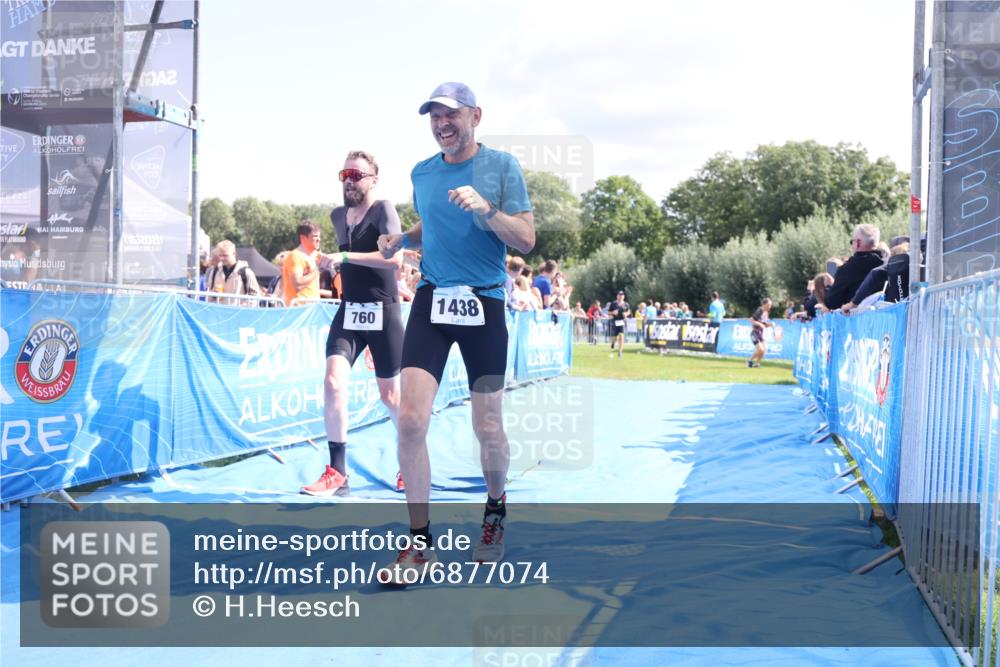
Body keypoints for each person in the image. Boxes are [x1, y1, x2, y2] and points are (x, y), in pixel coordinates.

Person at [375, 82, 535, 582]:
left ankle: (494, 513)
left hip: (485, 300)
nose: (442, 124)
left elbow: (526, 240)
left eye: (451, 115)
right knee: (410, 421)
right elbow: (432, 221)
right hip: (433, 299)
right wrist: (403, 237)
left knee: (487, 426)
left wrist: (486, 209)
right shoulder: (422, 172)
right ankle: (420, 545)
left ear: (475, 116)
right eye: (434, 117)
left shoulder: (502, 167)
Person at [301, 150, 406, 498]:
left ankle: (410, 460)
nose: (349, 180)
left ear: (374, 179)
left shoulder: (383, 210)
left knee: (391, 397)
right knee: (332, 381)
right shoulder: (336, 216)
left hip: (384, 311)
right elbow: (349, 263)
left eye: (357, 174)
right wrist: (333, 266)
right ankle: (338, 472)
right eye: (345, 174)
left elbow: (395, 259)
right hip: (350, 311)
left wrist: (344, 256)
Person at [822, 224, 884, 310]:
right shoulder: (886, 264)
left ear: (858, 243)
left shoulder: (847, 269)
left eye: (852, 241)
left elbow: (831, 303)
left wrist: (829, 286)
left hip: (858, 321)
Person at [203, 240, 261, 305]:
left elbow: (255, 296)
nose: (222, 258)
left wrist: (243, 307)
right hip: (219, 312)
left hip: (237, 313)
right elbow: (209, 295)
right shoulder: (214, 271)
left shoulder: (246, 272)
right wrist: (214, 295)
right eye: (220, 255)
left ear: (234, 254)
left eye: (225, 255)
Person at [282, 220, 323, 306]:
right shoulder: (295, 256)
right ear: (303, 238)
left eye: (319, 236)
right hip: (298, 311)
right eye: (315, 236)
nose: (319, 239)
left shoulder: (316, 256)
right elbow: (297, 285)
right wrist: (317, 270)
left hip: (313, 309)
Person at [747, 297, 774, 368]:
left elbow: (764, 325)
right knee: (761, 349)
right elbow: (751, 320)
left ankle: (755, 363)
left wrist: (770, 324)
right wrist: (759, 324)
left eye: (770, 305)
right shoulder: (760, 310)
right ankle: (751, 361)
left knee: (763, 350)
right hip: (754, 332)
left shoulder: (766, 313)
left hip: (760, 334)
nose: (769, 307)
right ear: (764, 304)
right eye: (768, 305)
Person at [607, 290, 630, 358]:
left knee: (621, 336)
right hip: (615, 321)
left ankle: (620, 352)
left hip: (622, 321)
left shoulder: (626, 304)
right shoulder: (613, 304)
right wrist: (613, 312)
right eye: (619, 295)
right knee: (615, 337)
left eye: (622, 295)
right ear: (617, 296)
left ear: (624, 296)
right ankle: (613, 342)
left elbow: (629, 311)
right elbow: (608, 312)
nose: (621, 296)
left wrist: (626, 314)